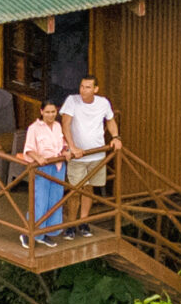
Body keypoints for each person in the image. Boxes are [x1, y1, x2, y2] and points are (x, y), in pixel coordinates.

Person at [59, 76, 120, 234]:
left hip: (97, 155)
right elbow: (65, 124)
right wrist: (72, 147)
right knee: (75, 191)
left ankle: (83, 222)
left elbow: (111, 120)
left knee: (89, 190)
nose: (83, 90)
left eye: (87, 87)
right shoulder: (72, 101)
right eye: (81, 86)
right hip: (78, 156)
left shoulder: (103, 103)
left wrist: (115, 137)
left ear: (95, 89)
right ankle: (71, 225)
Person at [17, 101, 71, 247]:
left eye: (53, 112)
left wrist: (66, 151)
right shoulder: (34, 128)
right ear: (41, 112)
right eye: (47, 112)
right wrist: (37, 157)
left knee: (55, 199)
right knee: (40, 200)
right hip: (42, 167)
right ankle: (29, 233)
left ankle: (46, 232)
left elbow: (62, 144)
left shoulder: (58, 126)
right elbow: (28, 148)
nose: (50, 115)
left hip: (58, 166)